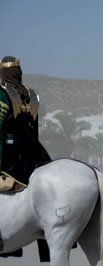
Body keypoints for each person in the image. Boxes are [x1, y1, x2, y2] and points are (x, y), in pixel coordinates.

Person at [0, 56, 50, 192]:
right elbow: (34, 128)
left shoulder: (3, 95)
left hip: (12, 157)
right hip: (35, 153)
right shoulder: (32, 95)